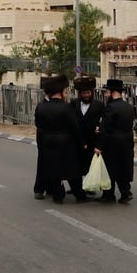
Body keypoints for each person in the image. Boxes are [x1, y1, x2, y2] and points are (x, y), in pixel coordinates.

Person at [33, 75, 82, 203]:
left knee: (52, 168)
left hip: (47, 141)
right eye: (65, 91)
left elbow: (38, 124)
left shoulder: (41, 106)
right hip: (66, 143)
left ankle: (57, 195)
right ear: (60, 92)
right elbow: (74, 127)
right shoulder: (66, 107)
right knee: (72, 169)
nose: (66, 94)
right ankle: (79, 195)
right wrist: (82, 142)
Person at [94, 78, 135, 203]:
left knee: (110, 168)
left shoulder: (110, 108)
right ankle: (125, 192)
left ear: (112, 92)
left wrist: (99, 146)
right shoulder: (129, 107)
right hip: (127, 140)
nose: (106, 95)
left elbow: (106, 128)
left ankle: (108, 195)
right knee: (124, 166)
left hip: (113, 142)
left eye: (107, 92)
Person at [69, 76, 104, 201]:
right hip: (77, 139)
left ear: (92, 93)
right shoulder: (74, 103)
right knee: (77, 164)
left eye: (88, 93)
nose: (86, 95)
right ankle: (77, 187)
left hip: (92, 139)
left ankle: (90, 187)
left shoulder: (99, 105)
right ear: (80, 94)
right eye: (84, 93)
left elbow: (104, 120)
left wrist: (99, 127)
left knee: (90, 163)